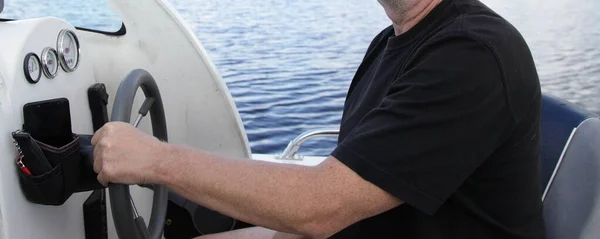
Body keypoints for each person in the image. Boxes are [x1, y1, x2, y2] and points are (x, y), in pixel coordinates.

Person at [91, 0, 546, 238]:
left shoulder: (472, 54)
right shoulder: (390, 47)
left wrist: (155, 162)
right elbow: (335, 204)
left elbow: (319, 207)